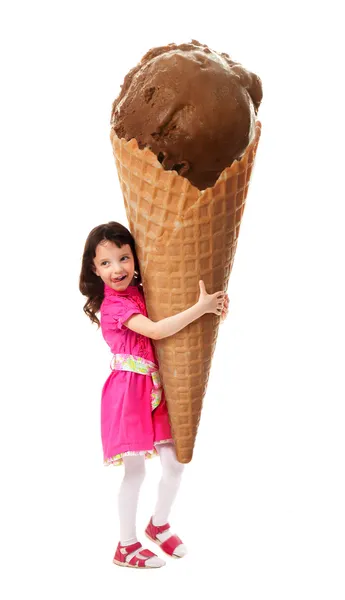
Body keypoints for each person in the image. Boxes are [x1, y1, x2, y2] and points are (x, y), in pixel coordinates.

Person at [79, 221, 229, 569]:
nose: (117, 269)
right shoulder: (114, 306)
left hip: (156, 388)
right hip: (128, 391)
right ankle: (126, 545)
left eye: (124, 257)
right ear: (94, 268)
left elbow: (170, 317)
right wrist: (200, 309)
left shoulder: (142, 291)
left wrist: (213, 306)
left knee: (174, 464)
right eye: (106, 263)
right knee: (135, 473)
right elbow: (158, 330)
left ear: (136, 257)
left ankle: (158, 524)